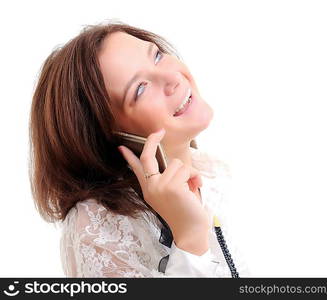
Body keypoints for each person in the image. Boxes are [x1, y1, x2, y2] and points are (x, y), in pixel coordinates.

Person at [29, 21, 251, 277]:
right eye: (140, 89)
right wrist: (189, 240)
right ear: (110, 138)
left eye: (156, 56)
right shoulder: (96, 228)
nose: (172, 79)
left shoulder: (214, 176)